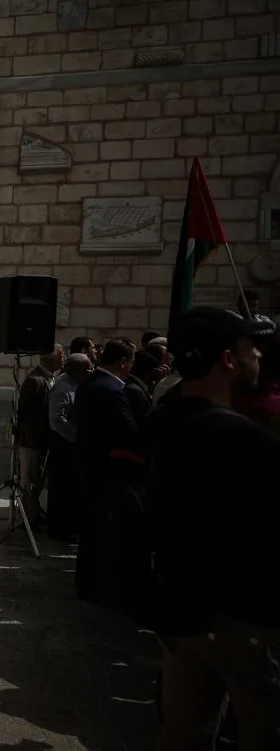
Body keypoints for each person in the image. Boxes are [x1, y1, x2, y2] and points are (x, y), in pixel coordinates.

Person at [143, 307, 280, 750]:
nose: (257, 355)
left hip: (181, 613)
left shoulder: (160, 422)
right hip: (245, 620)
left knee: (184, 733)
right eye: (249, 348)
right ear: (227, 358)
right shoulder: (247, 440)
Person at [71, 338, 137, 603]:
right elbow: (128, 431)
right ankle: (97, 586)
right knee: (101, 530)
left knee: (89, 528)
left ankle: (86, 582)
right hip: (104, 468)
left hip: (87, 463)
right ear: (123, 362)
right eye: (131, 361)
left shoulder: (89, 382)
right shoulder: (112, 390)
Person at [14, 344, 63, 524]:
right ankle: (28, 517)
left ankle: (34, 512)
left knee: (39, 479)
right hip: (33, 440)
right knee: (30, 480)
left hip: (43, 440)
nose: (63, 360)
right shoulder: (35, 380)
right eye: (61, 356)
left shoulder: (50, 378)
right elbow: (24, 413)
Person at [47, 353, 92, 541]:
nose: (90, 372)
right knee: (62, 487)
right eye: (87, 369)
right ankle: (60, 529)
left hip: (70, 444)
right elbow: (57, 420)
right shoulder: (64, 388)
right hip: (63, 445)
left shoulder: (76, 385)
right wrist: (77, 437)